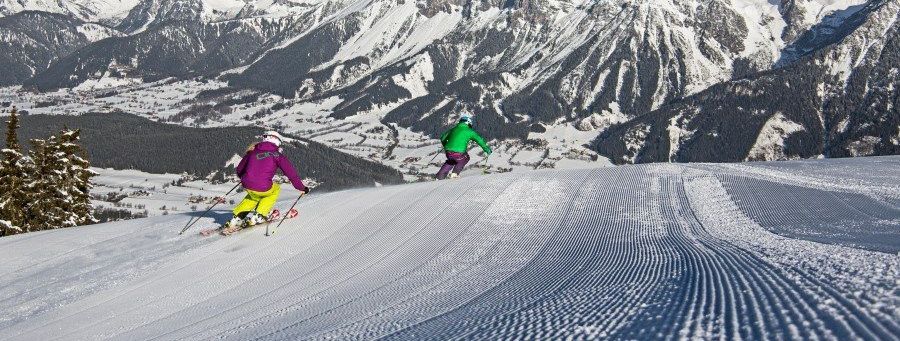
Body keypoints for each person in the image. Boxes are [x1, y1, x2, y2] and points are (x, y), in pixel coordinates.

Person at [228, 131, 309, 228]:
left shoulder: (252, 152)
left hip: (247, 184)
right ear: (278, 142)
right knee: (275, 189)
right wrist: (302, 188)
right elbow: (291, 174)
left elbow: (239, 169)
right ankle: (259, 215)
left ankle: (237, 217)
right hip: (263, 186)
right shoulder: (277, 155)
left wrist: (245, 177)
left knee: (254, 196)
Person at [437, 114, 492, 180]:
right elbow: (480, 141)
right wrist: (487, 150)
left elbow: (443, 138)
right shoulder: (470, 131)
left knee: (451, 161)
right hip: (459, 153)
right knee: (465, 158)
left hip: (448, 152)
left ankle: (439, 176)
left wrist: (445, 145)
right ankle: (455, 174)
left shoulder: (453, 129)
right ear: (468, 123)